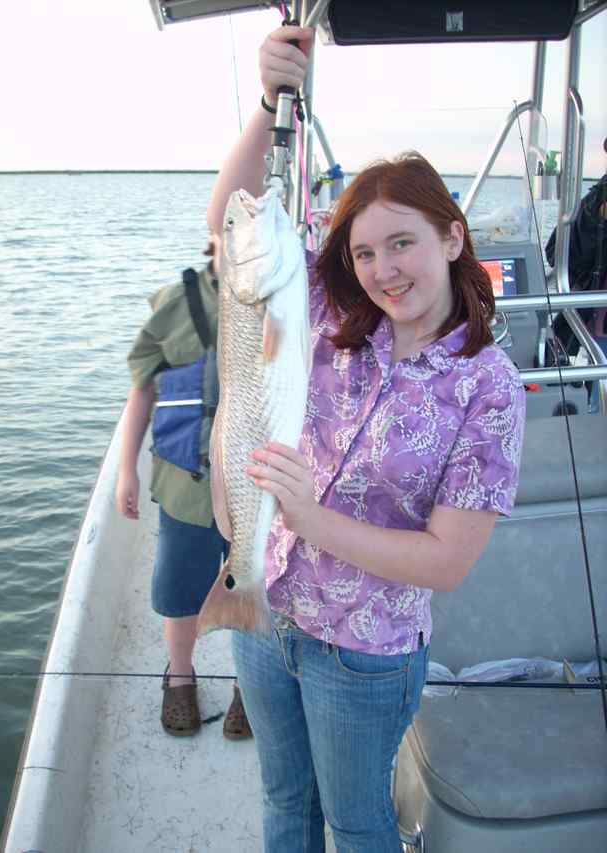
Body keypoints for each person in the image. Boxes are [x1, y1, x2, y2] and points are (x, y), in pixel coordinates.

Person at [206, 25, 526, 853]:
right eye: (365, 251)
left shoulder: (488, 386)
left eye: (403, 243)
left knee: (356, 822)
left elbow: (446, 560)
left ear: (452, 238)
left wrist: (312, 521)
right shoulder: (331, 316)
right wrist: (268, 100)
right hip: (267, 612)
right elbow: (230, 230)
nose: (385, 269)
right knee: (283, 805)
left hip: (367, 651)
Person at [115, 236, 251, 741]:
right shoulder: (174, 304)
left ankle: (249, 684)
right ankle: (179, 676)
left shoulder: (283, 304)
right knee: (179, 591)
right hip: (184, 487)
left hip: (254, 493)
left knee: (254, 590)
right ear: (212, 239)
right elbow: (143, 388)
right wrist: (126, 471)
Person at [545, 136, 607, 409]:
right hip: (600, 320)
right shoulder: (594, 201)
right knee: (598, 402)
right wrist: (593, 223)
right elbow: (555, 254)